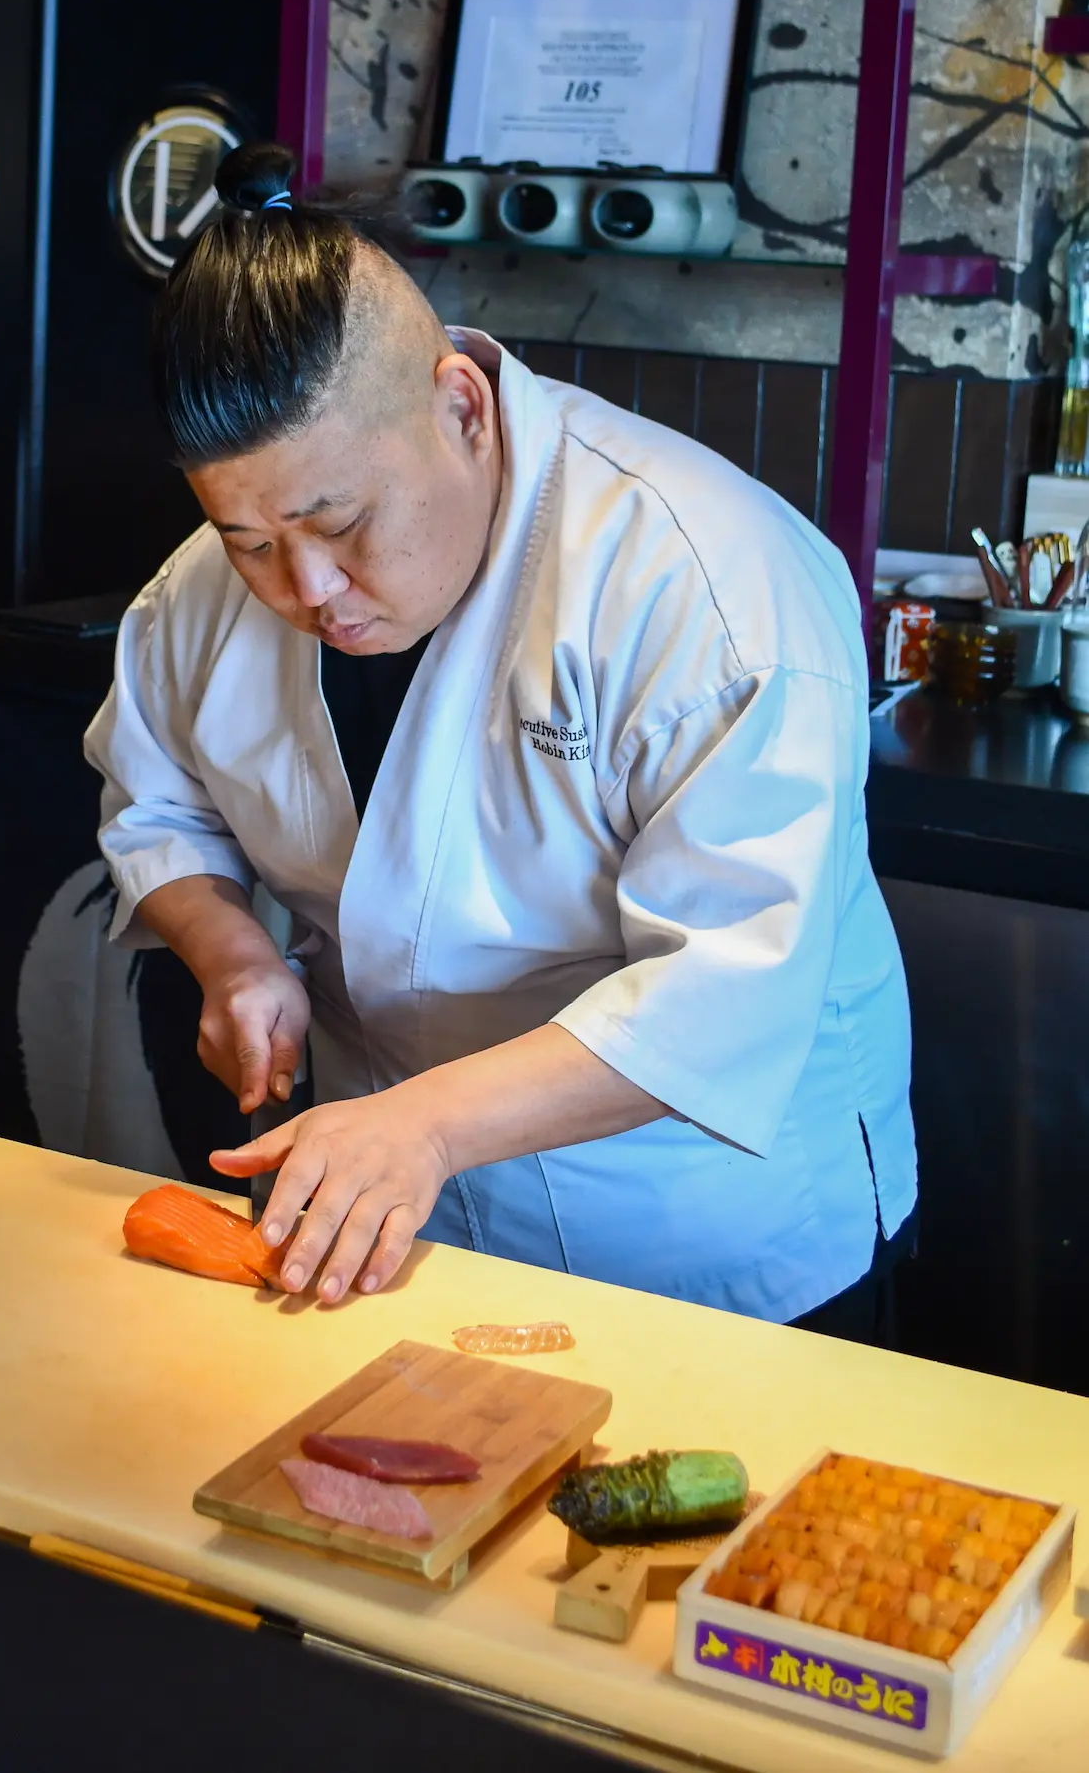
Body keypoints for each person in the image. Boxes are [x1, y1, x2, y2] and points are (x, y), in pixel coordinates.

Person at [85, 145, 916, 1333]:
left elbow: (728, 984)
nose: (308, 586)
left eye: (342, 522)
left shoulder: (706, 585)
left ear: (461, 407)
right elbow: (155, 805)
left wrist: (428, 1121)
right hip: (400, 1224)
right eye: (250, 541)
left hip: (705, 1241)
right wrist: (230, 954)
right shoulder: (203, 596)